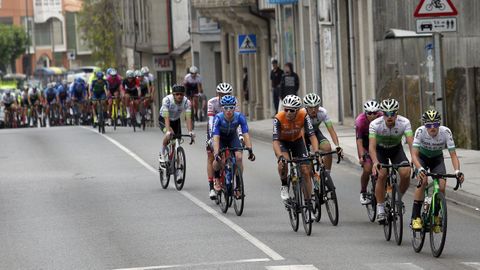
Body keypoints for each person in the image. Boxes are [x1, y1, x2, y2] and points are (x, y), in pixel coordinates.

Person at [410, 110, 464, 231]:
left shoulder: (446, 132)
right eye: (429, 125)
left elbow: (453, 155)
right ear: (425, 125)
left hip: (437, 159)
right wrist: (420, 168)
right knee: (422, 182)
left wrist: (457, 171)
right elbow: (414, 155)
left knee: (442, 186)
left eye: (435, 125)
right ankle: (416, 217)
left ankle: (436, 216)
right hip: (421, 159)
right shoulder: (420, 131)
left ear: (439, 124)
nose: (432, 128)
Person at [369, 98, 413, 223]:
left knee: (406, 173)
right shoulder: (375, 124)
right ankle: (380, 208)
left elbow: (411, 144)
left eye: (392, 114)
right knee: (382, 175)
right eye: (386, 114)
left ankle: (397, 198)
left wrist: (414, 159)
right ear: (382, 114)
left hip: (396, 150)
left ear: (396, 114)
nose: (389, 117)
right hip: (380, 151)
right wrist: (375, 162)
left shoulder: (404, 122)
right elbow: (371, 147)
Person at [273, 95, 319, 203]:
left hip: (297, 142)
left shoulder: (304, 115)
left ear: (298, 110)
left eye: (292, 110)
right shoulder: (278, 118)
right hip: (283, 143)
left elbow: (312, 135)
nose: (288, 112)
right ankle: (284, 185)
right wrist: (280, 157)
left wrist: (316, 151)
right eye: (286, 109)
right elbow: (275, 141)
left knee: (306, 171)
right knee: (283, 163)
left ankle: (308, 204)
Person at [212, 95, 255, 192]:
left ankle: (239, 184)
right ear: (222, 108)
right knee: (218, 159)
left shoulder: (239, 117)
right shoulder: (218, 118)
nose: (228, 110)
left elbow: (246, 134)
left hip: (232, 137)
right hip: (220, 138)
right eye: (225, 108)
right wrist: (216, 153)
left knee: (239, 157)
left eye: (231, 107)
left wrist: (250, 149)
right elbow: (216, 137)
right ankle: (217, 178)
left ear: (234, 108)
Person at [206, 83, 240, 199]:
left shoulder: (234, 101)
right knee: (212, 156)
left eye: (227, 94)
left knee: (237, 154)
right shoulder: (212, 102)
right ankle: (212, 185)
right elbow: (211, 121)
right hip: (215, 130)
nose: (225, 96)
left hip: (229, 129)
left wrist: (240, 136)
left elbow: (238, 119)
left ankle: (236, 182)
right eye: (222, 94)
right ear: (218, 94)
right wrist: (211, 137)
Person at [303, 93, 343, 179]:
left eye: (316, 107)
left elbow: (331, 130)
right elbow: (301, 134)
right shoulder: (302, 114)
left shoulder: (323, 113)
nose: (313, 110)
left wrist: (337, 146)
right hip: (303, 136)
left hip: (316, 133)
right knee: (307, 165)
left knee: (327, 148)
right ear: (306, 107)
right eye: (310, 107)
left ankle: (326, 175)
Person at [355, 100, 382, 204]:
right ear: (365, 113)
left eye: (375, 113)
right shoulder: (360, 121)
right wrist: (362, 156)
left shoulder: (382, 117)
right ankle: (363, 192)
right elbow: (359, 141)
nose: (372, 115)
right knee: (367, 169)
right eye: (369, 113)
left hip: (378, 141)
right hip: (365, 143)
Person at [158, 84, 195, 162]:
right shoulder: (167, 100)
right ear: (173, 94)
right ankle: (162, 152)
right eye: (177, 94)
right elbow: (166, 117)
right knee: (170, 134)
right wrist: (168, 131)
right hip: (164, 119)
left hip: (176, 120)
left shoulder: (187, 102)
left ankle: (174, 160)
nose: (179, 96)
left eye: (181, 94)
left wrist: (190, 131)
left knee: (176, 140)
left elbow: (188, 118)